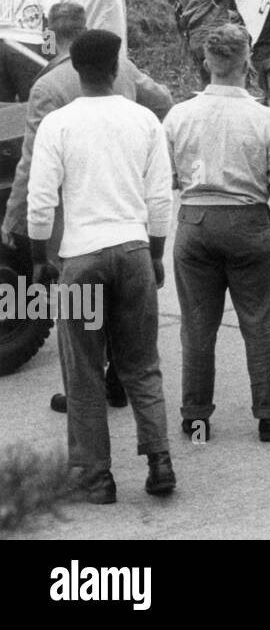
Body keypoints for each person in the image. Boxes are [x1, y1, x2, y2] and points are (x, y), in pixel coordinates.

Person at [1, 1, 171, 415]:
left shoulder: (48, 86)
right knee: (118, 294)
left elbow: (31, 162)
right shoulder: (122, 68)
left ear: (50, 34)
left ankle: (86, 387)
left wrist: (14, 216)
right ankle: (117, 377)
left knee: (78, 299)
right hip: (125, 200)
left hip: (71, 207)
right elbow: (164, 102)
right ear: (86, 27)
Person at [27, 29, 175, 503]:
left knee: (84, 370)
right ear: (115, 69)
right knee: (142, 365)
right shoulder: (144, 120)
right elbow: (159, 197)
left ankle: (95, 476)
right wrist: (155, 252)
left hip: (81, 257)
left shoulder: (58, 124)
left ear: (76, 69)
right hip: (132, 250)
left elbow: (40, 200)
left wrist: (38, 260)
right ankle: (159, 460)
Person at [164, 24, 270, 444]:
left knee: (197, 325)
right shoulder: (264, 118)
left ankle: (197, 416)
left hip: (195, 221)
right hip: (247, 220)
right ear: (248, 63)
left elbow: (166, 175)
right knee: (258, 321)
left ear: (207, 63)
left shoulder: (179, 115)